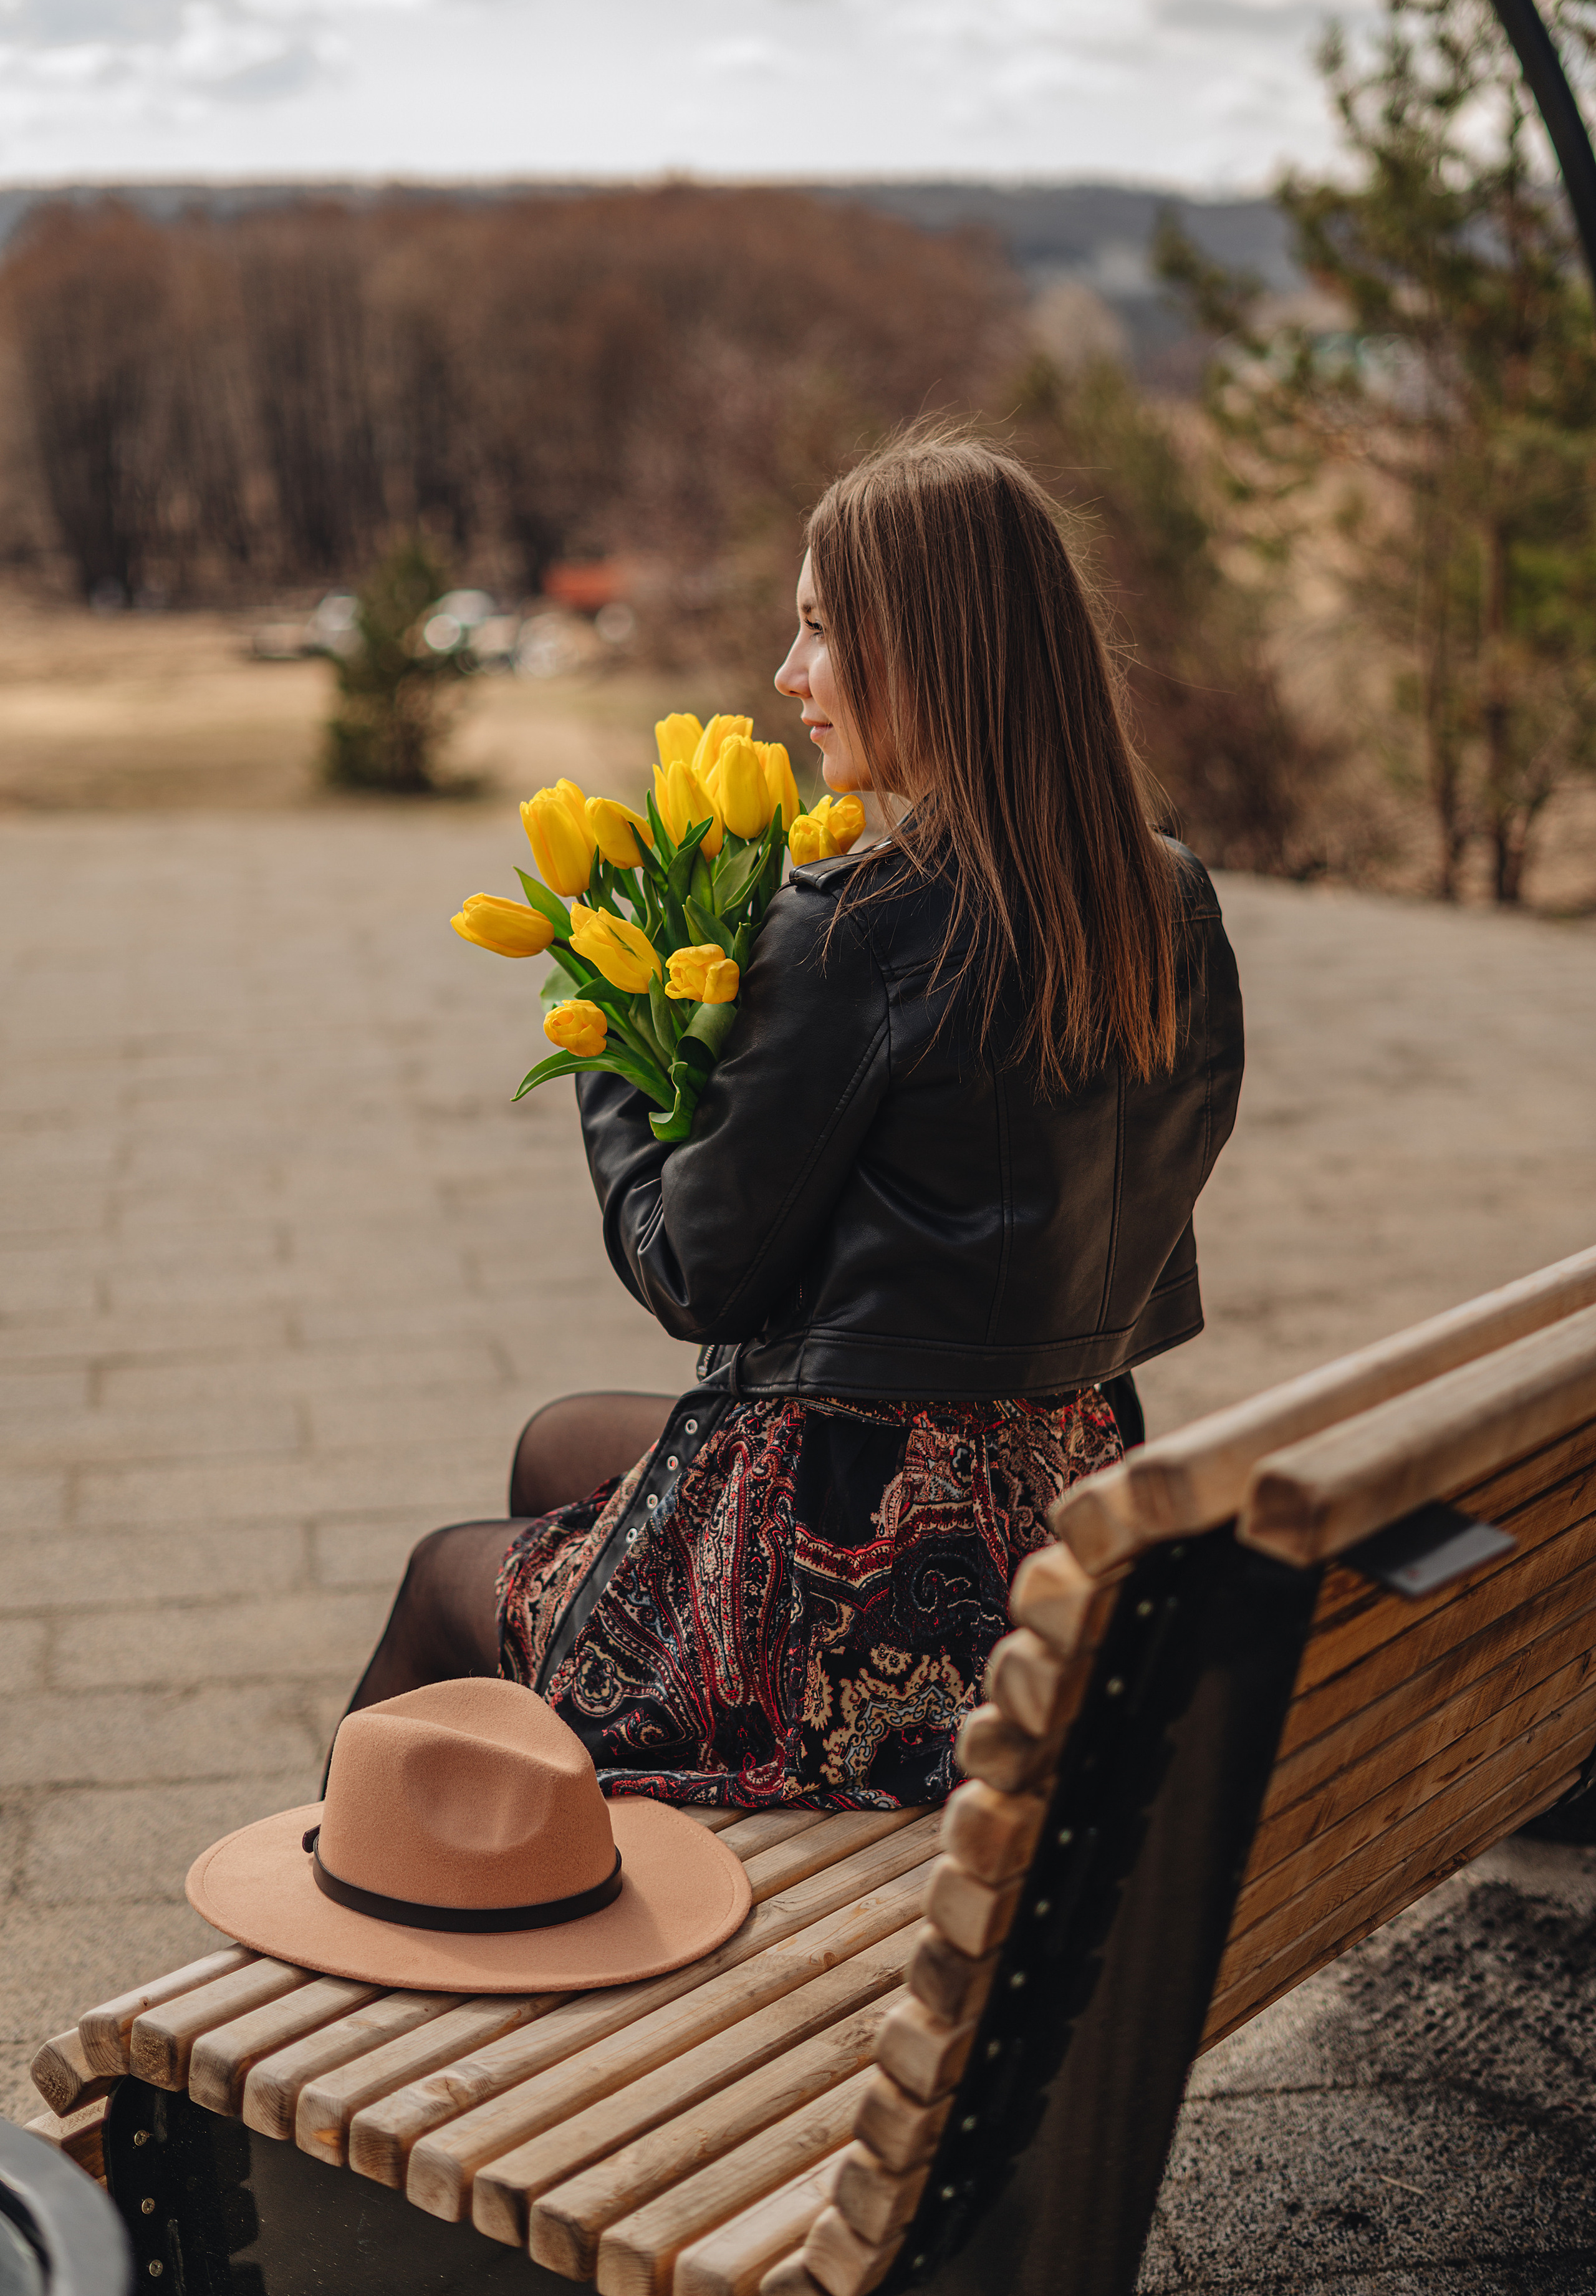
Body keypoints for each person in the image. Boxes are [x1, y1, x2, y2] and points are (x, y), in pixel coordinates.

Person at [340, 431, 1244, 1810]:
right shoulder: (1164, 892)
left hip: (861, 1604)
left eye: (820, 629)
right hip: (1058, 1490)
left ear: (927, 652)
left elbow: (695, 1274)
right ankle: (512, 1837)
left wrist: (609, 1030)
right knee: (555, 1443)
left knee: (438, 1575)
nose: (787, 675)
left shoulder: (859, 932)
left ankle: (323, 1951)